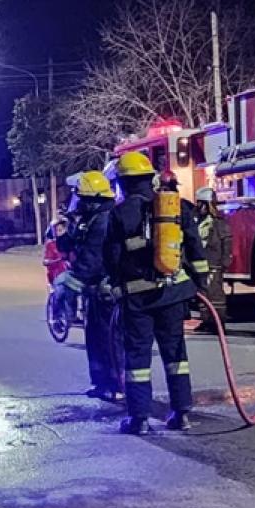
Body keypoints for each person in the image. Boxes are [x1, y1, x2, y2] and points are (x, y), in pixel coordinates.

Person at [104, 152, 209, 435]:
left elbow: (111, 259)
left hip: (137, 300)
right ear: (149, 178)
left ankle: (139, 420)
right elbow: (197, 250)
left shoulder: (117, 215)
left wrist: (114, 285)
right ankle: (182, 413)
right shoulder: (177, 207)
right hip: (172, 295)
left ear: (123, 184)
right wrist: (200, 282)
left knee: (137, 358)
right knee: (176, 355)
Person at [54, 170, 122, 401]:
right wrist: (63, 230)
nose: (77, 201)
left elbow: (91, 260)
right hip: (93, 292)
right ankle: (101, 383)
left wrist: (71, 284)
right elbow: (67, 247)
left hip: (105, 291)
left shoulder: (103, 221)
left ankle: (116, 385)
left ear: (92, 200)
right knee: (94, 338)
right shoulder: (88, 219)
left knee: (109, 339)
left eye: (81, 197)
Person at [193, 187, 233, 333]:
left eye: (200, 204)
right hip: (202, 264)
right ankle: (206, 321)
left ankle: (218, 323)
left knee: (215, 295)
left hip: (214, 263)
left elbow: (226, 242)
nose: (198, 207)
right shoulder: (197, 221)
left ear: (207, 204)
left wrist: (225, 260)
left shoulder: (218, 223)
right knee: (203, 295)